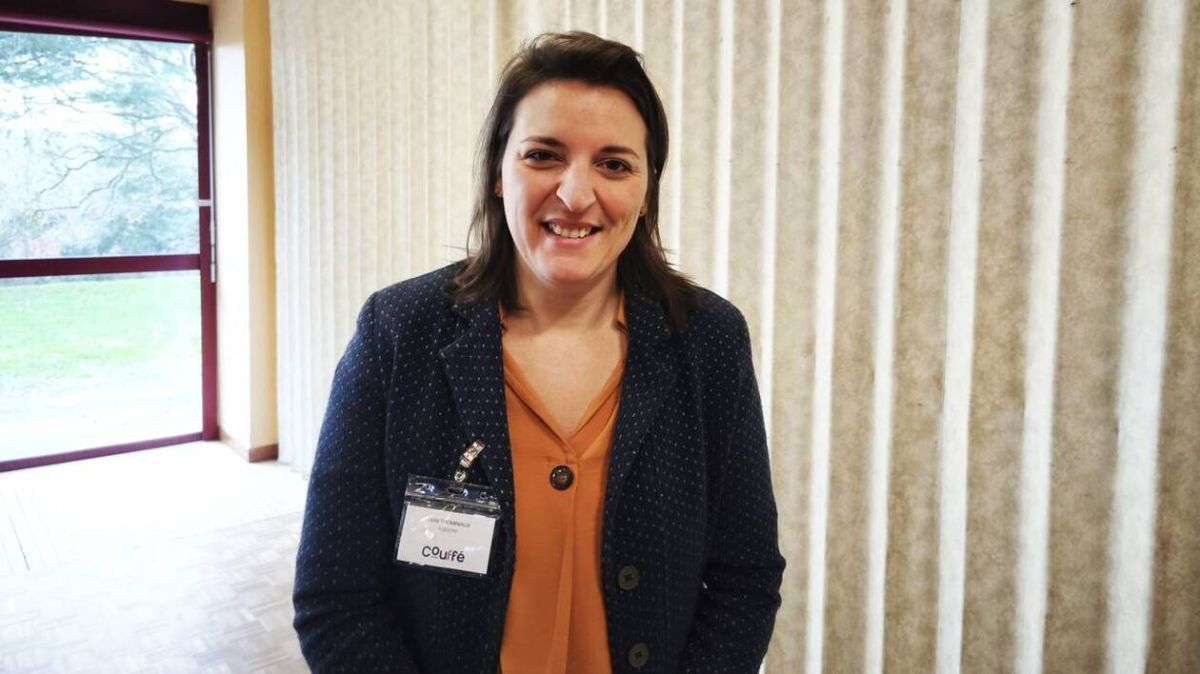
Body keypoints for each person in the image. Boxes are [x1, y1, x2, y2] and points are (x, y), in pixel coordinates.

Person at [293, 31, 784, 674]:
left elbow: (745, 579)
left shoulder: (707, 340)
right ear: (499, 173)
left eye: (614, 165)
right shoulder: (399, 333)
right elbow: (337, 598)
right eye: (544, 156)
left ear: (646, 191)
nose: (576, 195)